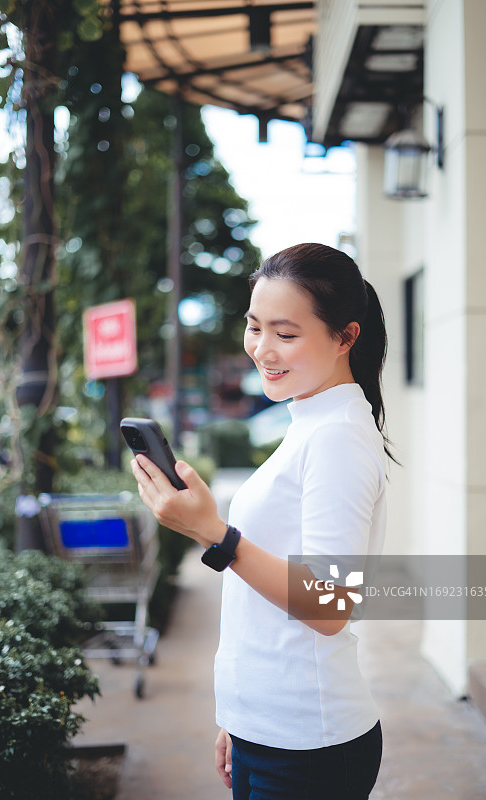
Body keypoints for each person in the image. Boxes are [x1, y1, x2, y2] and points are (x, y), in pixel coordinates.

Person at [131, 242, 392, 799]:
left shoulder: (337, 438)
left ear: (347, 336)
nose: (262, 350)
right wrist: (239, 718)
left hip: (308, 748)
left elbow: (329, 605)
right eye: (254, 327)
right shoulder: (309, 421)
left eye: (286, 334)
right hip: (268, 731)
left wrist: (214, 534)